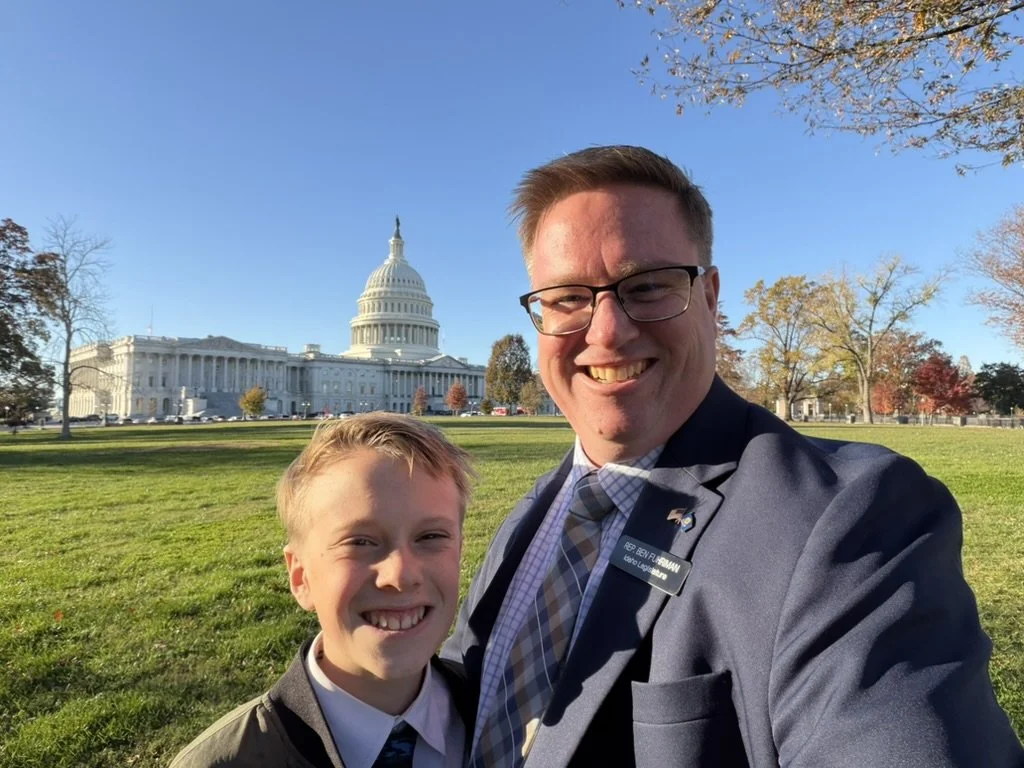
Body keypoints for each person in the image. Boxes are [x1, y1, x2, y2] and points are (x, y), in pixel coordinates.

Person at [443, 145, 1024, 767]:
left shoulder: (850, 520)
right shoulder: (535, 513)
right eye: (565, 299)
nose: (606, 331)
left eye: (647, 287)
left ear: (711, 296)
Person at [172, 413, 475, 767]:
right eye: (360, 542)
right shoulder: (225, 760)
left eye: (431, 537)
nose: (400, 575)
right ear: (301, 577)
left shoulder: (507, 721)